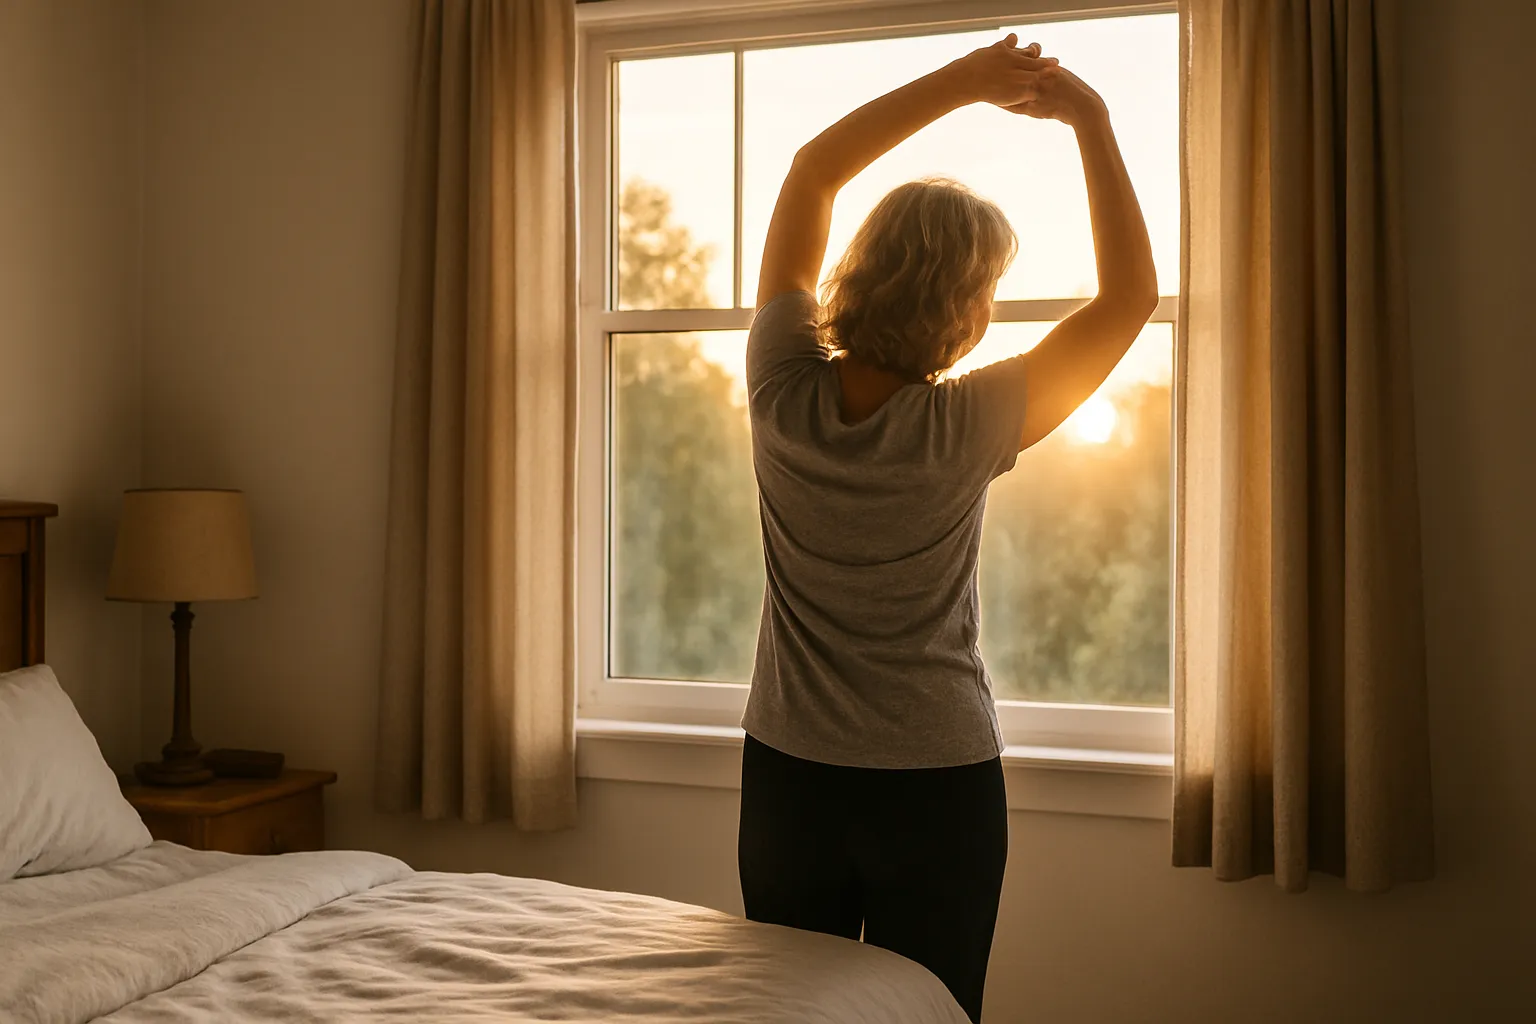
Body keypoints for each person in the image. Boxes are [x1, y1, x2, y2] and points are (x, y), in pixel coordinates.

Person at [736, 33, 1158, 1023]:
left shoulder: (780, 387)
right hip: (937, 784)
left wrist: (963, 82)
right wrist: (1092, 123)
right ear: (964, 309)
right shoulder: (973, 421)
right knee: (934, 1010)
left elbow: (812, 171)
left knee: (789, 1014)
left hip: (791, 777)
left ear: (862, 273)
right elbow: (1130, 297)